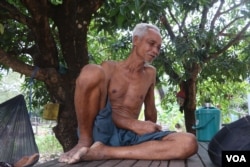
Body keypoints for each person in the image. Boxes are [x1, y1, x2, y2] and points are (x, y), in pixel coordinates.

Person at [59, 23, 198, 164]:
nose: (155, 51)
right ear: (135, 40)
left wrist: (151, 129)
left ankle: (104, 152)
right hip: (103, 130)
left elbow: (150, 111)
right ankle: (84, 141)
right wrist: (133, 124)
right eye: (151, 43)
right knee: (91, 71)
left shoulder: (150, 73)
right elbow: (94, 108)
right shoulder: (109, 67)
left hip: (130, 137)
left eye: (158, 47)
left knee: (189, 142)